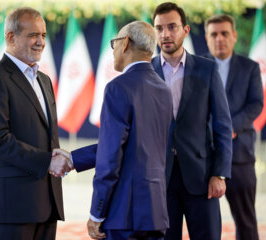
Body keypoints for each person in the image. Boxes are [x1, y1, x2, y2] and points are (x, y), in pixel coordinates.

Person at [55, 20, 173, 240]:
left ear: (126, 43)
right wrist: (74, 158)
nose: (114, 50)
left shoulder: (118, 88)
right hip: (155, 213)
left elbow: (111, 157)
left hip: (123, 214)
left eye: (115, 43)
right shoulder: (164, 90)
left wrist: (96, 213)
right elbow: (137, 146)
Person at [0, 7, 72, 240]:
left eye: (43, 35)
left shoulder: (44, 80)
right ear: (10, 37)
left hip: (47, 203)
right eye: (33, 35)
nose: (40, 42)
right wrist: (48, 161)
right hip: (12, 207)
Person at [151, 2, 233, 239]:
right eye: (159, 28)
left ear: (185, 30)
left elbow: (223, 126)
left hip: (203, 177)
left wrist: (219, 174)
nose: (165, 34)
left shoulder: (207, 69)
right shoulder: (147, 71)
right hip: (159, 180)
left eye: (172, 27)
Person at [204, 14, 263, 240]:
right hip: (205, 157)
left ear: (234, 36)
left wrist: (230, 128)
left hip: (240, 157)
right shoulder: (198, 66)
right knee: (205, 224)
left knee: (246, 223)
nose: (220, 38)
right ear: (207, 39)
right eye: (214, 34)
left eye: (224, 33)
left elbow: (256, 103)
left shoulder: (250, 68)